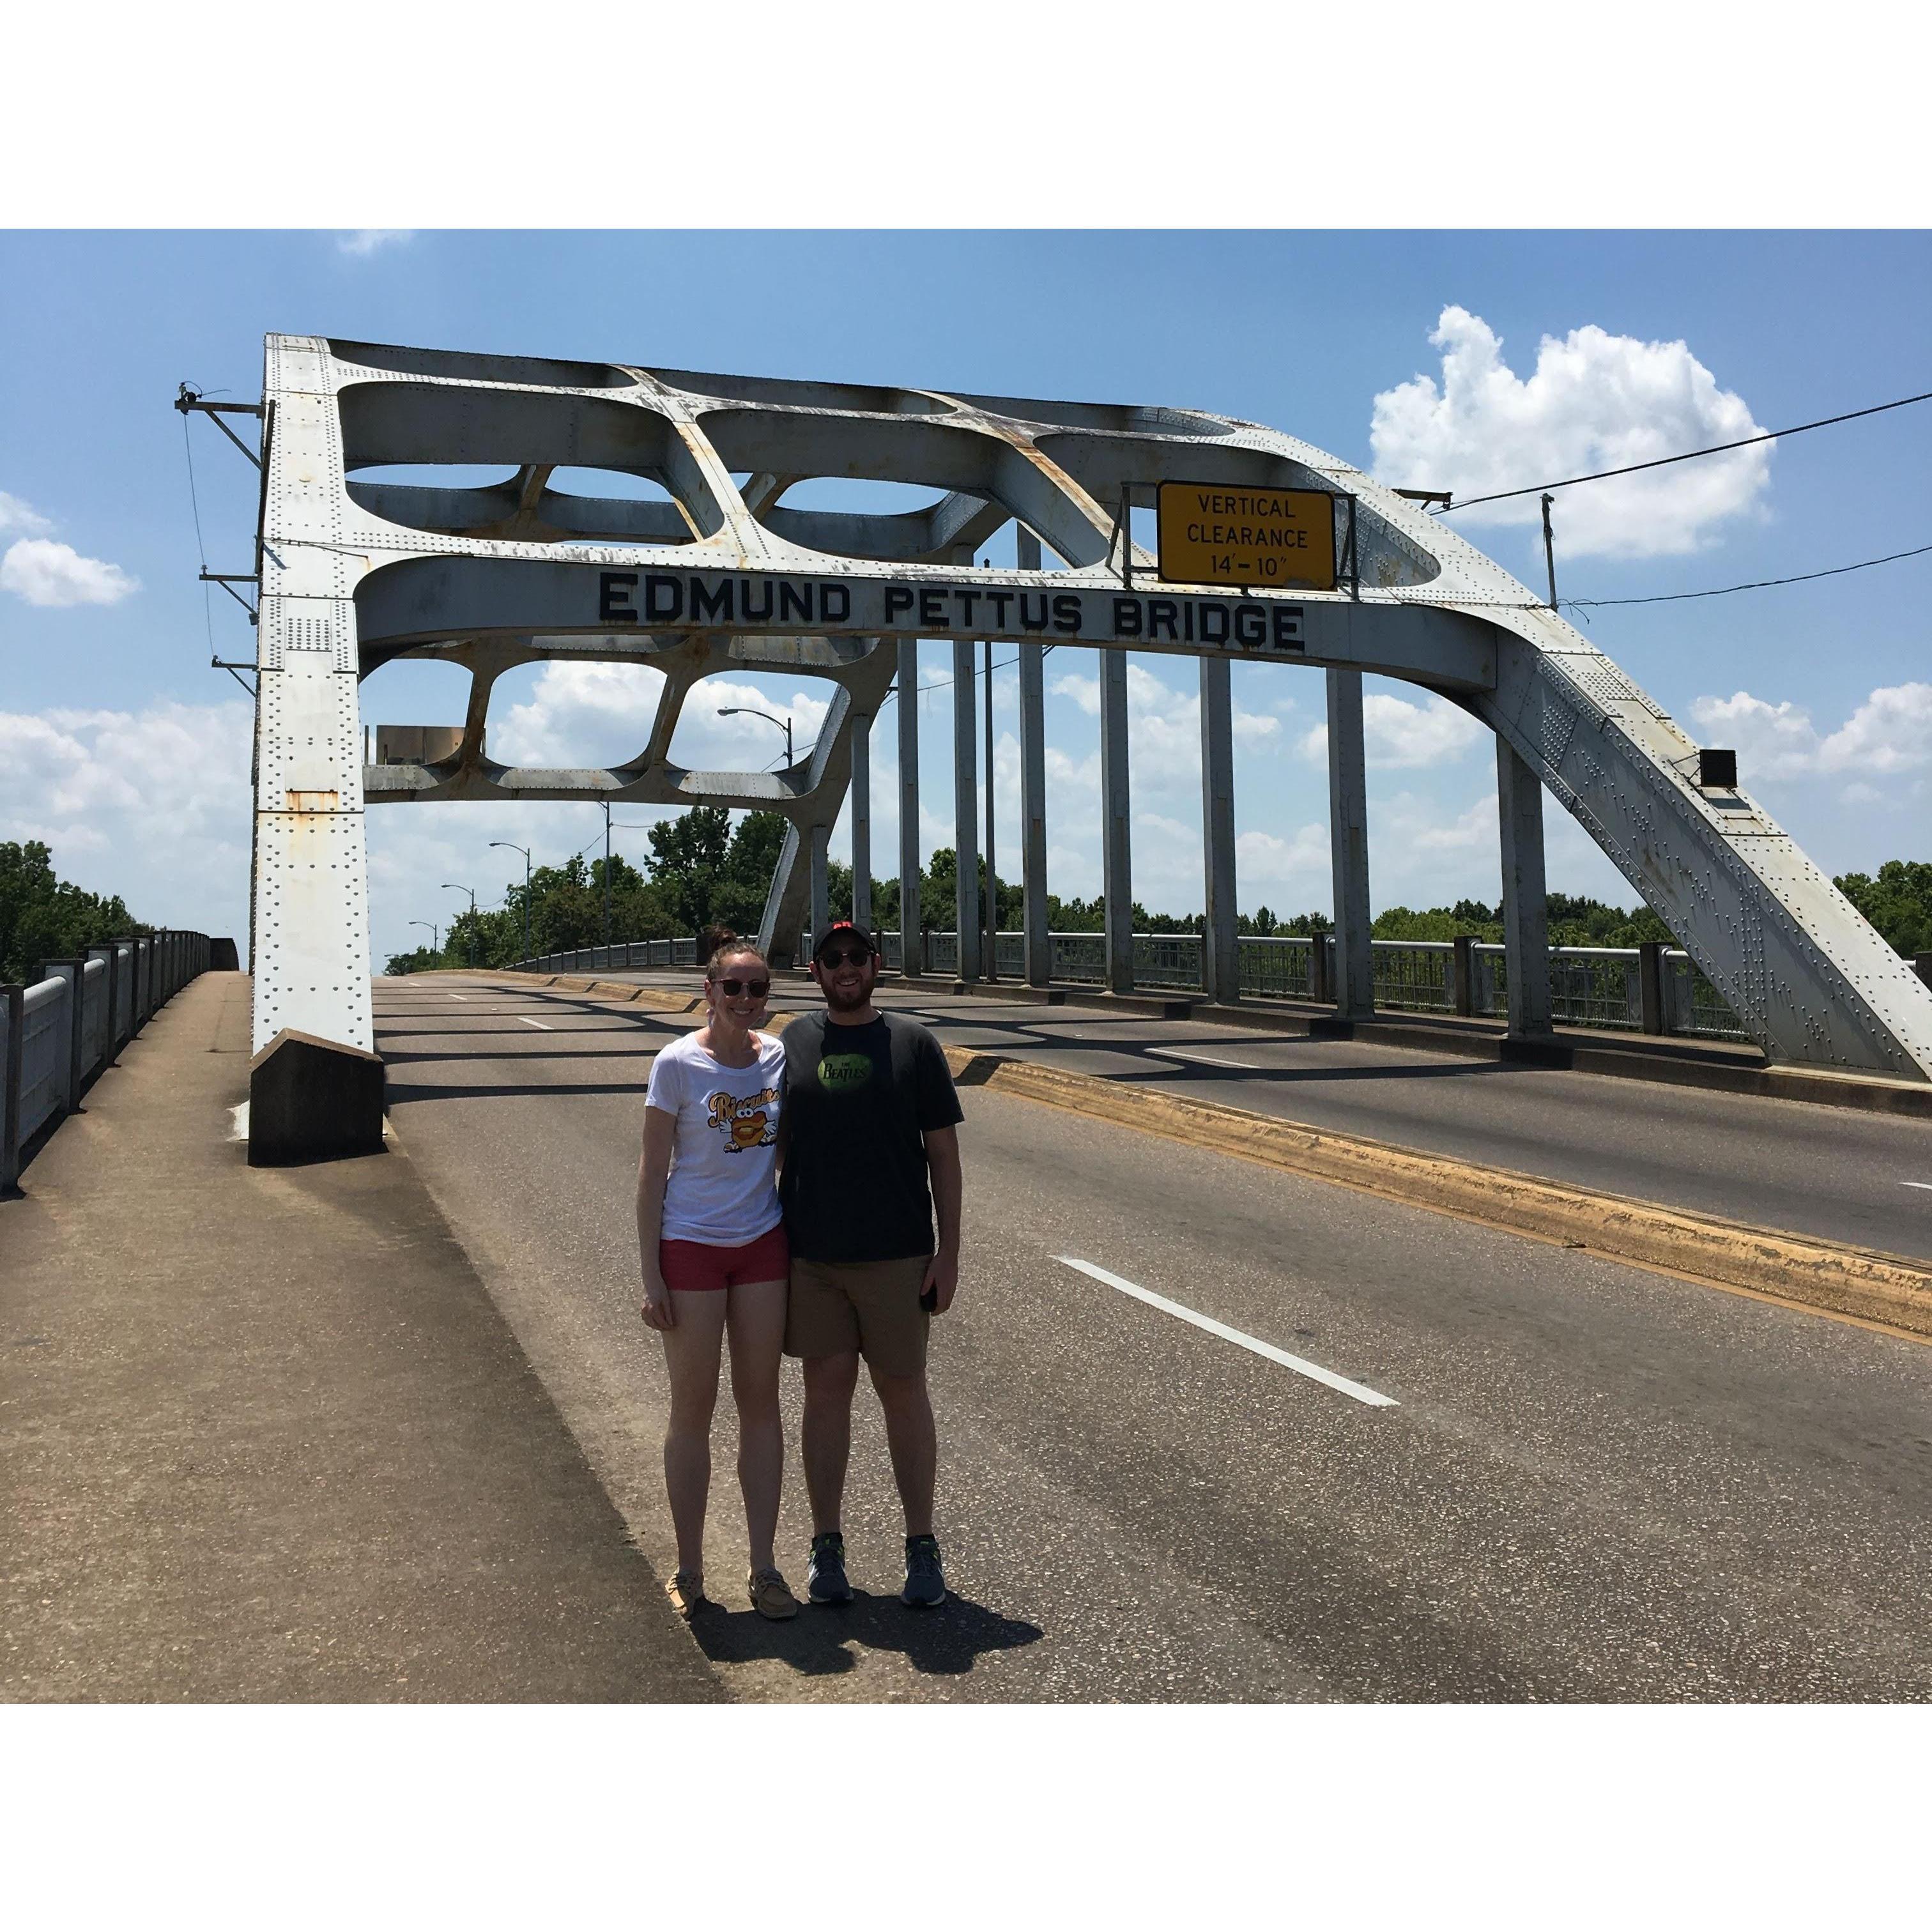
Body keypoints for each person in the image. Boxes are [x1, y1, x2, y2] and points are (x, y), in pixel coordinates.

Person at [778, 919, 964, 1609]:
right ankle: (827, 1546)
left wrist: (949, 1252)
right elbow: (775, 1144)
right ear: (815, 970)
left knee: (903, 1393)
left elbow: (943, 1155)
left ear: (876, 965)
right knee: (825, 1397)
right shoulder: (792, 1043)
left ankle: (922, 1546)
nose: (847, 967)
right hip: (814, 1258)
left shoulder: (915, 1045)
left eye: (857, 956)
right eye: (834, 959)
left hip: (897, 1255)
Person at [637, 937, 799, 1621]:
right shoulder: (676, 1063)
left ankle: (764, 1570)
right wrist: (651, 1276)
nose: (745, 1000)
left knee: (761, 1406)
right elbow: (650, 1176)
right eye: (731, 987)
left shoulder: (780, 1059)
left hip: (761, 1243)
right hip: (692, 1247)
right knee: (693, 1411)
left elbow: (789, 1148)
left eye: (756, 987)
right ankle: (690, 1569)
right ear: (709, 992)